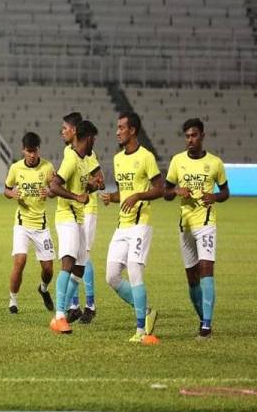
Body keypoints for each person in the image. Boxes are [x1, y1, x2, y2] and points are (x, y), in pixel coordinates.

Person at [100, 111, 163, 344]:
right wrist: (112, 197)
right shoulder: (117, 159)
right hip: (121, 225)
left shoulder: (146, 157)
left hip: (140, 225)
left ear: (133, 130)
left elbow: (160, 188)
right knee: (111, 277)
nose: (117, 132)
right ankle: (146, 311)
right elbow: (123, 193)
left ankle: (141, 330)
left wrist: (138, 195)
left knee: (135, 272)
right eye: (117, 128)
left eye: (121, 128)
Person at [164, 118, 229, 340]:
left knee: (206, 269)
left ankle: (207, 326)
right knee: (191, 277)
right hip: (186, 225)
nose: (190, 139)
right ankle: (203, 318)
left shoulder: (215, 163)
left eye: (193, 135)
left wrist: (215, 196)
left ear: (202, 136)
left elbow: (226, 192)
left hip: (206, 224)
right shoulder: (177, 161)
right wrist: (176, 192)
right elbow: (165, 192)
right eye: (187, 136)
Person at [48, 120, 100, 334]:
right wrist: (75, 196)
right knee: (68, 264)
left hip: (78, 217)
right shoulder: (71, 159)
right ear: (86, 138)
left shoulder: (82, 160)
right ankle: (60, 316)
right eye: (93, 139)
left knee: (79, 267)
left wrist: (89, 187)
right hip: (66, 216)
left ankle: (62, 313)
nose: (94, 143)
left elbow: (85, 184)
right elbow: (54, 185)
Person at [4, 132, 56, 314]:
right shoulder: (15, 168)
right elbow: (6, 189)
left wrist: (49, 192)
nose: (32, 155)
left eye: (34, 151)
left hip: (41, 225)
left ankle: (43, 288)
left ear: (38, 150)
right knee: (20, 261)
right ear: (23, 150)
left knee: (49, 269)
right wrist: (12, 194)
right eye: (28, 151)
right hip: (22, 223)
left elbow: (56, 188)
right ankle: (13, 300)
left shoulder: (48, 167)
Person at [60, 113, 104, 324]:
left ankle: (90, 304)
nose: (63, 132)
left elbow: (100, 179)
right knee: (77, 257)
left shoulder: (88, 153)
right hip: (73, 208)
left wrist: (89, 187)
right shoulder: (68, 152)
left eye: (66, 128)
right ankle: (73, 305)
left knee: (82, 256)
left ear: (75, 131)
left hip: (88, 208)